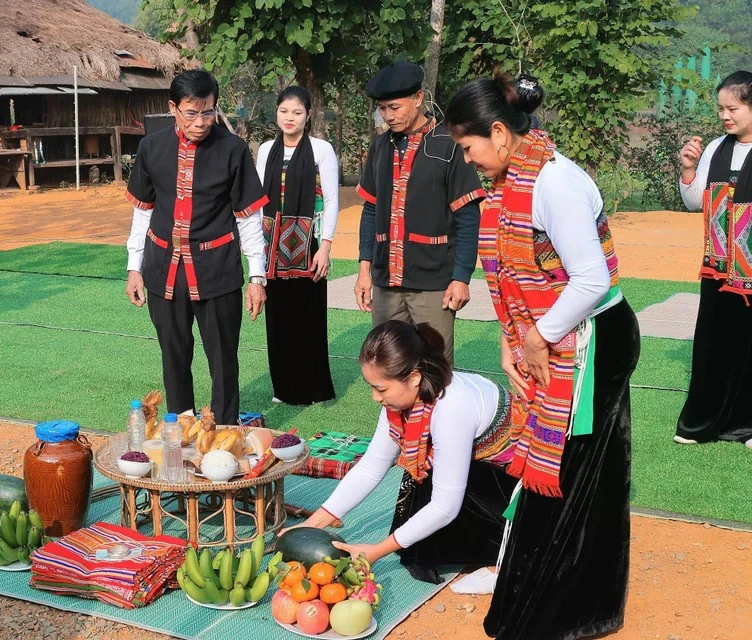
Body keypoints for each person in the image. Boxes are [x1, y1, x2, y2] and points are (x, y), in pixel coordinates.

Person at [444, 72, 640, 640]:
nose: (469, 159)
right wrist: (513, 340)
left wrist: (536, 338)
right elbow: (511, 275)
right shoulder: (513, 180)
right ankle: (543, 588)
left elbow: (592, 278)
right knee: (559, 462)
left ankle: (569, 610)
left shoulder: (555, 183)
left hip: (592, 339)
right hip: (559, 335)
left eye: (468, 146)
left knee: (575, 471)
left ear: (500, 134)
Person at [287, 320, 519, 584]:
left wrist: (376, 551)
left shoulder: (453, 408)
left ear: (414, 378)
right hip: (478, 474)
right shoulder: (404, 400)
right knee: (417, 480)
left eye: (381, 388)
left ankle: (502, 551)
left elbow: (445, 506)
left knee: (419, 481)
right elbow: (370, 468)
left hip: (513, 490)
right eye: (371, 386)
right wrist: (311, 526)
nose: (375, 397)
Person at [125, 70, 270, 425]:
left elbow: (249, 218)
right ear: (173, 108)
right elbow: (142, 211)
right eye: (192, 112)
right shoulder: (151, 148)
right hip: (162, 270)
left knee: (223, 357)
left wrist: (257, 277)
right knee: (173, 354)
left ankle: (224, 430)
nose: (201, 122)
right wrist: (134, 267)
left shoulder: (233, 150)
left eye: (208, 112)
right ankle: (182, 429)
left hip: (217, 270)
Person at [355, 61, 485, 364]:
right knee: (388, 364)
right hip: (386, 281)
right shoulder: (380, 145)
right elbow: (371, 209)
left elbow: (467, 216)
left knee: (434, 367)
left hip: (434, 283)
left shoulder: (450, 143)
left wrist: (461, 277)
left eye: (395, 107)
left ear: (418, 98)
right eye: (382, 109)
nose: (388, 116)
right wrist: (364, 269)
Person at [676, 70, 752, 448]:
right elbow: (695, 203)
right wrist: (688, 169)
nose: (725, 116)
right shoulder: (716, 148)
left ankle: (747, 425)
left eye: (733, 108)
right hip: (718, 268)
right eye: (721, 109)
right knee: (713, 342)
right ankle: (702, 421)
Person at [255, 86, 338, 405]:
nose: (289, 118)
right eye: (284, 111)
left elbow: (330, 200)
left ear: (308, 115)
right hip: (271, 243)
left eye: (297, 112)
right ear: (276, 112)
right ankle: (283, 388)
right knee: (278, 318)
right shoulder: (265, 150)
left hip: (308, 243)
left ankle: (313, 387)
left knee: (308, 315)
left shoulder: (321, 149)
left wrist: (326, 246)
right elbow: (260, 198)